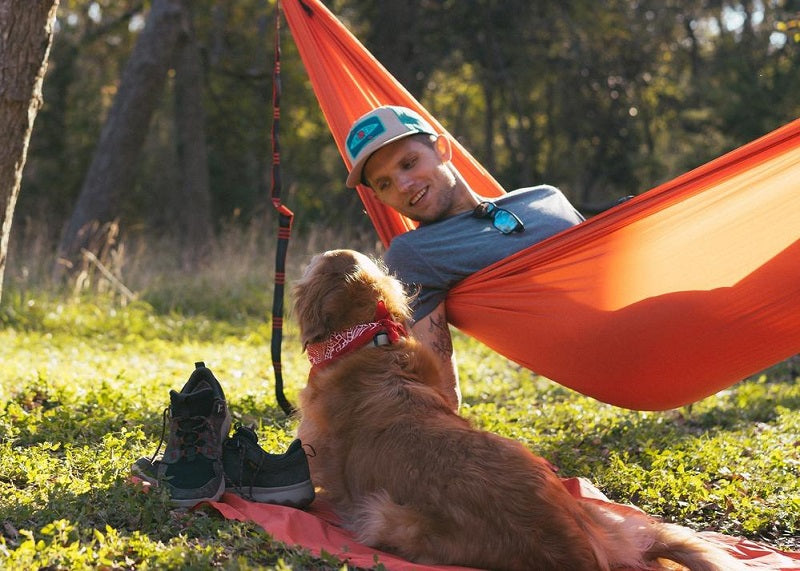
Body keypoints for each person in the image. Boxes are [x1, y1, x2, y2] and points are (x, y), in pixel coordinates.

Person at [344, 105, 585, 409]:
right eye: (385, 184)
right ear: (379, 199)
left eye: (409, 163)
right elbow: (444, 393)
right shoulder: (414, 253)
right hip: (603, 340)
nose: (403, 186)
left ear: (442, 149)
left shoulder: (545, 195)